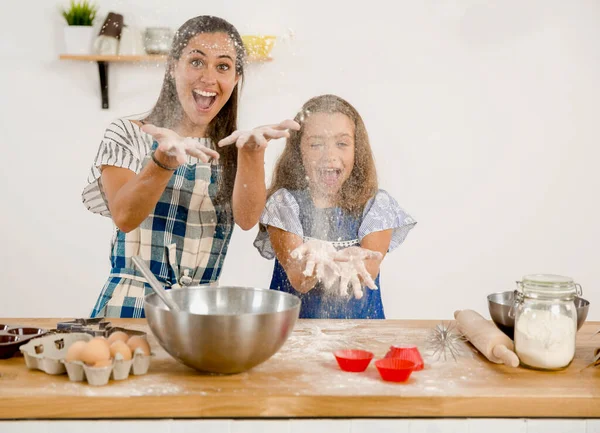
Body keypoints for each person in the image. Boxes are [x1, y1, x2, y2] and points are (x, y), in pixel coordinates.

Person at [82, 15, 299, 318]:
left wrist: (252, 155)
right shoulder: (129, 133)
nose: (209, 78)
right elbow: (124, 216)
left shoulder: (235, 146)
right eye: (197, 61)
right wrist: (163, 161)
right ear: (173, 66)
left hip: (201, 319)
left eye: (223, 66)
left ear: (236, 78)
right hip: (129, 313)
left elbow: (248, 219)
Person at [254, 94, 416, 319]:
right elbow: (299, 279)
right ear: (298, 151)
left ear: (356, 150)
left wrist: (349, 261)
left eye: (342, 143)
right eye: (316, 144)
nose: (330, 156)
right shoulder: (284, 204)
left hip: (362, 338)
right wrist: (315, 257)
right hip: (290, 336)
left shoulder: (377, 206)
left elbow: (368, 270)